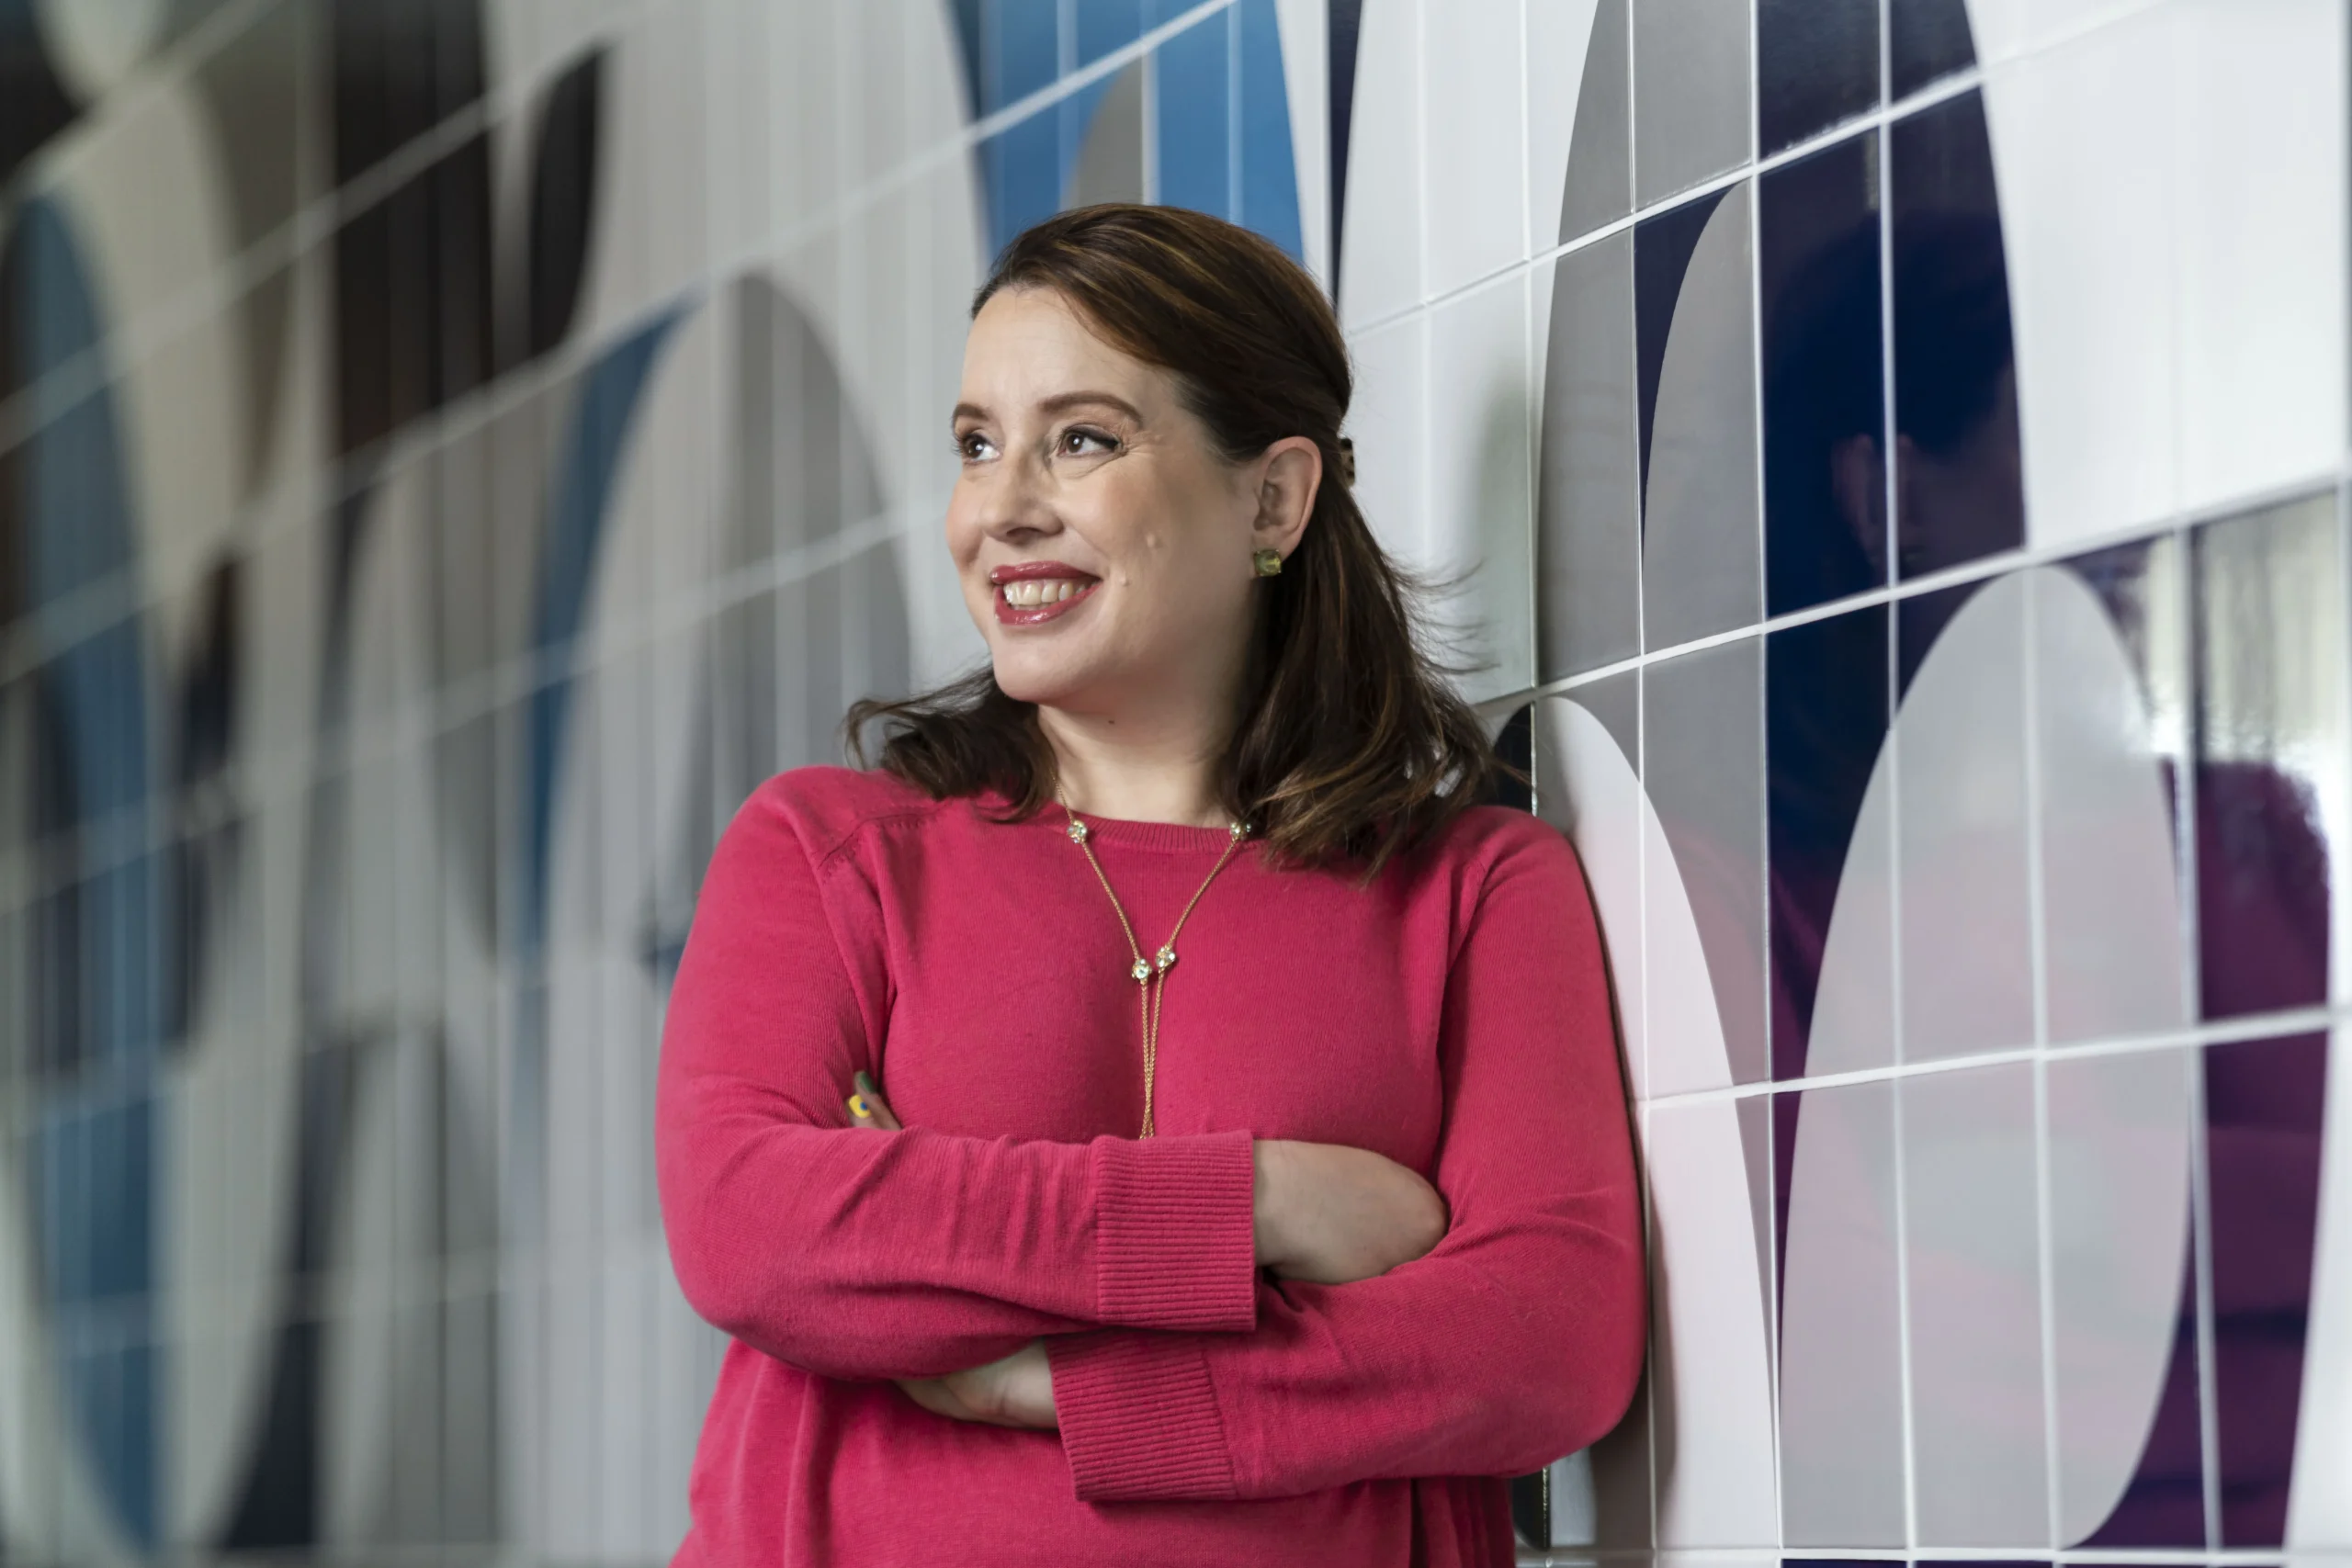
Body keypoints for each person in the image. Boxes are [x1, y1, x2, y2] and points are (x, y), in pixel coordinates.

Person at [653, 203, 1644, 1567]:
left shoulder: (1476, 891)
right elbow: (751, 1228)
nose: (999, 512)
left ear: (1275, 498)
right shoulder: (831, 856)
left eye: (1082, 439)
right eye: (976, 445)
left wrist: (1066, 1386)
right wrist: (1258, 1208)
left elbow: (1546, 1340)